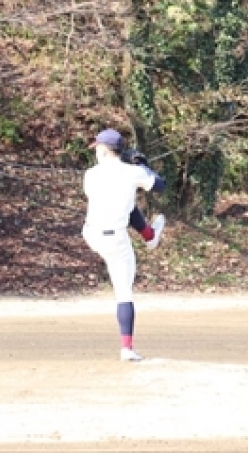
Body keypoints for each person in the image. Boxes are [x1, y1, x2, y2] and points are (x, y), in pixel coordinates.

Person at [82, 128, 166, 361]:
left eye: (98, 148)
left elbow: (114, 186)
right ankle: (126, 348)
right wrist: (144, 167)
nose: (96, 152)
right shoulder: (132, 172)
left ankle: (149, 235)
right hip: (116, 240)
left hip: (91, 235)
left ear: (104, 150)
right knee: (124, 294)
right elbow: (160, 186)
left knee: (126, 203)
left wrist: (135, 169)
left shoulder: (90, 174)